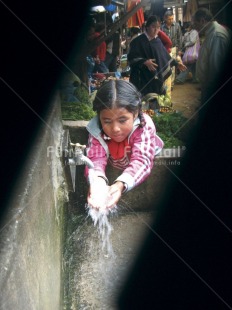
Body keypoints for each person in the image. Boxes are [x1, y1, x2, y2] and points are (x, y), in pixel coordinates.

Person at [85, 79, 164, 210]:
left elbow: (141, 160)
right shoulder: (95, 129)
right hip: (117, 159)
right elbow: (95, 158)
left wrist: (120, 185)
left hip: (137, 160)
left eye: (122, 120)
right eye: (107, 121)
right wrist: (97, 180)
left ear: (136, 113)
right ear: (99, 117)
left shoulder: (143, 127)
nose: (115, 128)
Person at [127, 15, 186, 97]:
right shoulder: (137, 41)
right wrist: (144, 62)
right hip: (141, 78)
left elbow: (165, 56)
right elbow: (131, 58)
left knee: (154, 101)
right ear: (147, 27)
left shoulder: (157, 41)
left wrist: (176, 63)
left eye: (158, 27)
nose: (156, 30)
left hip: (155, 79)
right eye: (153, 27)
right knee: (141, 102)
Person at [192, 8, 231, 103]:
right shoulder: (211, 34)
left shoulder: (217, 35)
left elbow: (216, 69)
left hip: (213, 89)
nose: (195, 28)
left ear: (202, 21)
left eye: (196, 24)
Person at [161, 10, 183, 88]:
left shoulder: (177, 26)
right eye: (169, 19)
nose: (171, 20)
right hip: (165, 50)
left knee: (173, 67)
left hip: (174, 49)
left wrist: (179, 50)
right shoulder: (162, 27)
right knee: (166, 66)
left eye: (172, 18)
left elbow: (179, 38)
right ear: (165, 19)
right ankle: (166, 83)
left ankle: (172, 84)